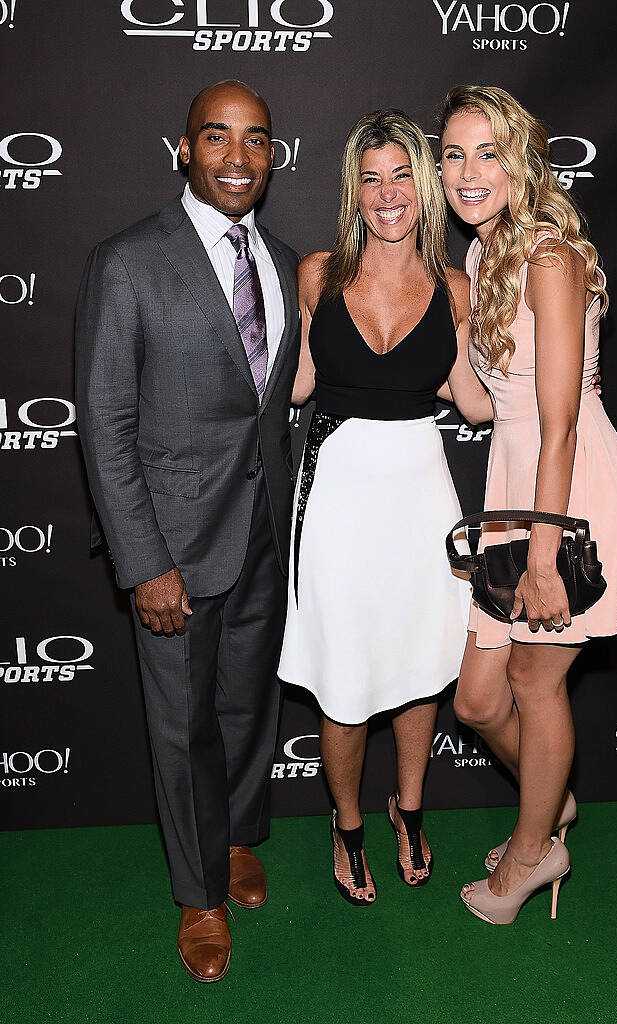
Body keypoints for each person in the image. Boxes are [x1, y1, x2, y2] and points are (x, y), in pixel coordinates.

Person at [75, 81, 300, 981]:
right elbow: (103, 421)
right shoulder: (128, 261)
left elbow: (271, 412)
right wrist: (143, 563)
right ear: (184, 148)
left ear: (273, 154)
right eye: (218, 138)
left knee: (247, 708)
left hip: (262, 534)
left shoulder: (285, 261)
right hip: (171, 548)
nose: (238, 157)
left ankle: (240, 835)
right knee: (181, 728)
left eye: (256, 140)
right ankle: (198, 894)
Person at [438, 85, 617, 925]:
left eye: (487, 153)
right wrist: (434, 327)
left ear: (520, 159)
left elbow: (563, 416)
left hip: (570, 494)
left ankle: (532, 854)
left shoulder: (547, 255)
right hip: (516, 488)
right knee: (475, 700)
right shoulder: (478, 256)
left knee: (536, 685)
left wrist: (543, 553)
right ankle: (550, 805)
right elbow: (479, 406)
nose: (469, 172)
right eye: (454, 154)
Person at [277, 109, 492, 905]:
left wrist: (556, 384)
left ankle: (408, 810)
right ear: (353, 192)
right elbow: (295, 386)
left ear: (427, 186)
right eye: (371, 178)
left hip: (419, 495)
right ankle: (346, 824)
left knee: (418, 666)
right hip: (335, 492)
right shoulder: (316, 274)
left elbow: (469, 400)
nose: (387, 193)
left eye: (402, 174)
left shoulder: (456, 288)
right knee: (344, 673)